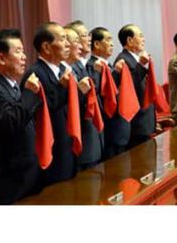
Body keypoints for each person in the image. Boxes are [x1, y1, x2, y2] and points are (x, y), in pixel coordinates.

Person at [0, 29, 42, 204]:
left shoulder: (10, 85)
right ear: (1, 58)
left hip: (25, 176)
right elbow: (12, 123)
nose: (24, 57)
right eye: (18, 51)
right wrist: (28, 93)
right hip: (10, 181)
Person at [20, 22, 86, 186]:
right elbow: (42, 109)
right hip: (53, 151)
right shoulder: (35, 73)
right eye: (63, 39)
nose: (68, 44)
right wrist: (62, 86)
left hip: (67, 145)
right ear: (47, 47)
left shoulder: (60, 70)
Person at [86, 27, 129, 159]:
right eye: (108, 40)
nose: (112, 44)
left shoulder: (109, 66)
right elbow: (100, 95)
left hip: (119, 129)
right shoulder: (91, 66)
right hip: (110, 130)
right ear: (97, 44)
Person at [64, 27, 102, 170]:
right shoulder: (69, 70)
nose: (82, 44)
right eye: (78, 40)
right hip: (80, 140)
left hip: (92, 135)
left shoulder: (81, 66)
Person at [115, 24, 156, 148]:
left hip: (145, 119)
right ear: (129, 40)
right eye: (140, 36)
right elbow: (129, 88)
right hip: (137, 121)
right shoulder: (123, 60)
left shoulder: (135, 58)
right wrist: (142, 65)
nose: (143, 39)